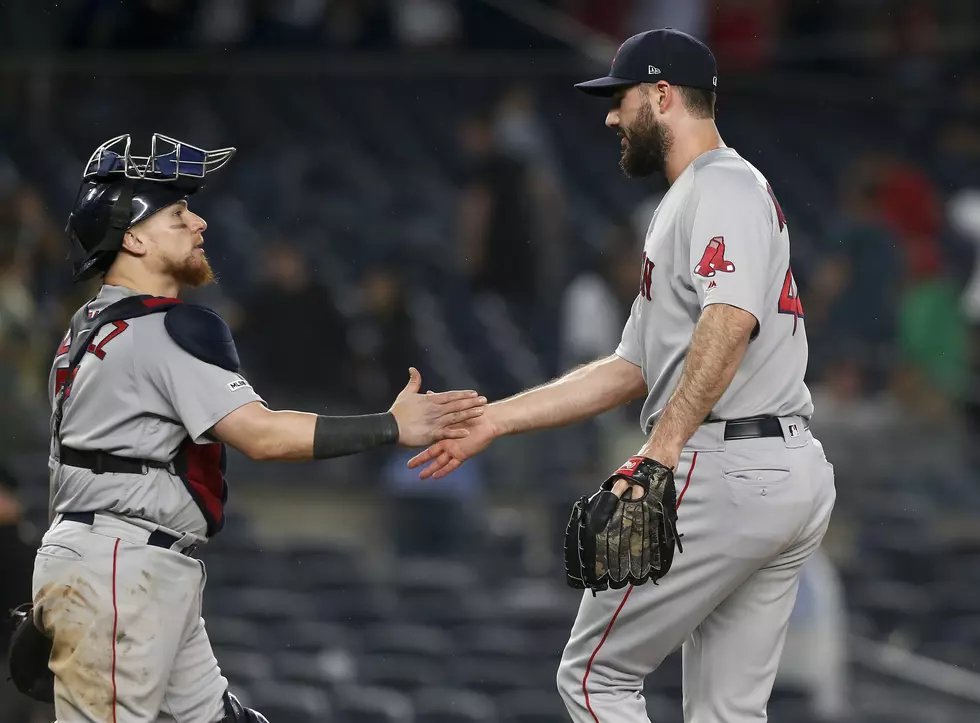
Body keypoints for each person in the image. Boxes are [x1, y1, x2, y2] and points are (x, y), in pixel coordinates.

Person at [410, 29, 837, 723]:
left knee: (594, 678)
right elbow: (630, 367)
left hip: (726, 463)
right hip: (781, 469)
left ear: (663, 95)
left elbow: (728, 323)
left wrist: (659, 455)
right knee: (727, 711)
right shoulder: (701, 196)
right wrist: (496, 418)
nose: (610, 116)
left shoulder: (720, 185)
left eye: (622, 98)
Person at [27, 133, 487, 723]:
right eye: (176, 213)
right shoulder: (167, 328)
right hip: (122, 568)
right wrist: (391, 426)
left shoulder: (83, 330)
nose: (199, 223)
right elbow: (263, 437)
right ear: (133, 236)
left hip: (118, 561)